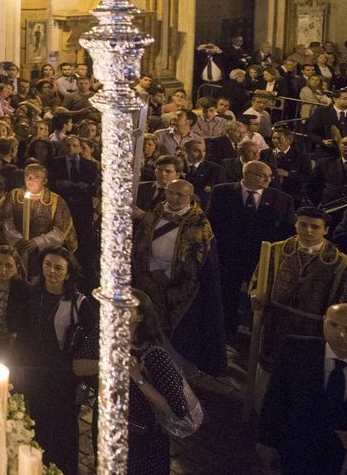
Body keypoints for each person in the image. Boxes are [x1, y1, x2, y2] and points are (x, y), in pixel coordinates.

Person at [258, 303, 347, 475]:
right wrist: (266, 441)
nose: (339, 334)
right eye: (333, 324)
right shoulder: (296, 349)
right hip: (296, 455)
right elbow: (275, 397)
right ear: (323, 320)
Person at [256, 208, 347, 372]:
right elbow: (260, 281)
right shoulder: (275, 251)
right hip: (276, 326)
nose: (308, 230)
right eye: (303, 225)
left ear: (326, 230)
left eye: (315, 227)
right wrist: (256, 297)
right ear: (295, 225)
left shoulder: (343, 265)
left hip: (314, 331)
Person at [16, 247, 98, 475]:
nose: (51, 271)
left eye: (58, 268)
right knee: (39, 420)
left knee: (64, 426)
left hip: (65, 375)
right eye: (48, 265)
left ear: (68, 273)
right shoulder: (32, 293)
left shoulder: (78, 302)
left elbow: (94, 336)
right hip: (37, 371)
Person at [131, 179, 225, 374]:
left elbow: (198, 257)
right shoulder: (154, 214)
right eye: (170, 193)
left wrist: (168, 274)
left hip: (181, 285)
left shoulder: (199, 222)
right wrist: (154, 269)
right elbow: (141, 245)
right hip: (149, 277)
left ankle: (175, 367)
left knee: (179, 329)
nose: (174, 198)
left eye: (180, 195)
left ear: (190, 197)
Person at [206, 160, 295, 336]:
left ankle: (255, 335)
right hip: (229, 256)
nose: (268, 180)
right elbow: (211, 223)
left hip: (261, 258)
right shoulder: (221, 192)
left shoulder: (283, 199)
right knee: (227, 296)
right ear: (246, 174)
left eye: (270, 176)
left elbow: (287, 232)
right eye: (263, 176)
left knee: (258, 299)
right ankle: (227, 333)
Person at [128, 288, 199, 475]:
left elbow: (177, 408)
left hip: (144, 439)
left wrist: (137, 378)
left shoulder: (155, 355)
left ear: (140, 317)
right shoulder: (111, 344)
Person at [0, 164, 76, 273]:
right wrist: (18, 239)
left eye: (37, 177)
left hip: (43, 251)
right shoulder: (14, 196)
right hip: (17, 247)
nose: (31, 180)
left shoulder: (56, 200)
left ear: (45, 181)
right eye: (28, 176)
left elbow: (61, 231)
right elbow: (6, 222)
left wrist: (38, 242)